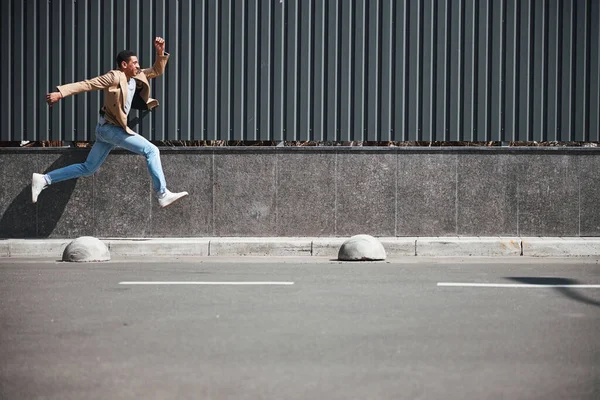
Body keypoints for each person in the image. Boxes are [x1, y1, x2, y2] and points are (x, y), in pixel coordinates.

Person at [33, 37, 188, 208]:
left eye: (138, 63)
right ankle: (162, 193)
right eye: (134, 63)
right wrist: (60, 93)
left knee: (88, 168)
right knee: (151, 150)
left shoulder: (137, 76)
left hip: (104, 130)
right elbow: (87, 84)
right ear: (124, 65)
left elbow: (157, 70)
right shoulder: (114, 77)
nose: (138, 66)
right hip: (111, 130)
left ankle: (44, 179)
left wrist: (160, 52)